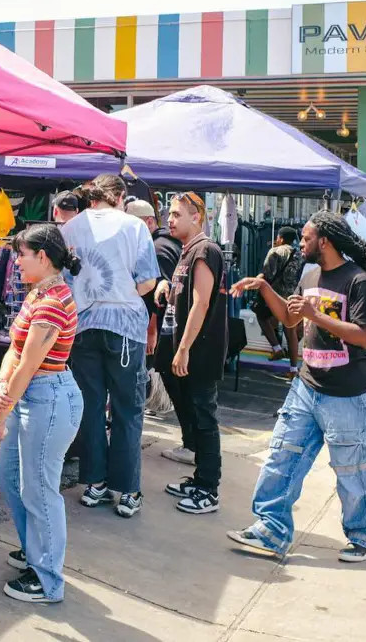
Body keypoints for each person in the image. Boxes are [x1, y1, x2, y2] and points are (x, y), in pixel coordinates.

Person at [227, 211, 366, 563]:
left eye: (306, 237)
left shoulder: (356, 280)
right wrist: (265, 288)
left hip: (348, 395)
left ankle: (363, 536)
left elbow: (364, 337)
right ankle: (271, 529)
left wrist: (316, 315)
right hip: (307, 385)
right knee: (282, 457)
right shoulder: (310, 274)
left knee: (352, 468)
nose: (301, 243)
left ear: (325, 241)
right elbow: (289, 317)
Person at [0, 224, 82, 604]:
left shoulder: (52, 300)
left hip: (47, 399)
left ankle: (47, 577)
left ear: (44, 257)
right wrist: (1, 386)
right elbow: (15, 354)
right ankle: (36, 550)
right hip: (32, 396)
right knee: (10, 476)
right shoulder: (39, 293)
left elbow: (28, 364)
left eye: (22, 254)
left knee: (39, 488)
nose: (15, 260)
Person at [61, 174, 160, 519]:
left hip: (83, 325)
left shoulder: (70, 228)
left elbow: (64, 277)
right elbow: (148, 281)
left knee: (90, 407)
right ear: (120, 196)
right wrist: (123, 291)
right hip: (124, 326)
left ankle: (95, 483)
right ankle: (128, 489)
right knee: (127, 409)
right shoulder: (134, 226)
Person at [154, 193, 228, 514]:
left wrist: (184, 348)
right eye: (169, 214)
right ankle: (199, 479)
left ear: (196, 216)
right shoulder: (188, 251)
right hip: (184, 351)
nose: (169, 219)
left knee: (205, 419)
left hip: (199, 353)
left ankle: (208, 489)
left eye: (176, 214)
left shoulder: (205, 250)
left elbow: (201, 303)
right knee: (195, 417)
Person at [127, 198, 181, 359]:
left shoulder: (157, 249)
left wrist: (152, 331)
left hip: (161, 329)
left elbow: (162, 295)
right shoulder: (166, 241)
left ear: (149, 221)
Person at [254, 227, 304, 375]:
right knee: (291, 331)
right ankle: (293, 369)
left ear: (281, 238)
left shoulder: (276, 251)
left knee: (261, 316)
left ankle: (276, 348)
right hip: (293, 296)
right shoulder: (300, 255)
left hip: (275, 296)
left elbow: (268, 274)